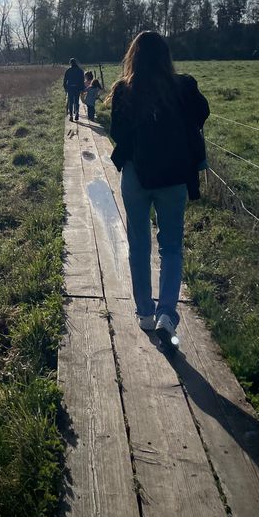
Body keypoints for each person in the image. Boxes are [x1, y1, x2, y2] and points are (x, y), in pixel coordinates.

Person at [108, 32, 209, 346]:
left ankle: (145, 313)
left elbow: (117, 134)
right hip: (175, 177)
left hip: (136, 176)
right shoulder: (184, 87)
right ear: (166, 57)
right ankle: (168, 313)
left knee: (139, 245)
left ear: (132, 56)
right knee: (171, 247)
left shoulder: (124, 90)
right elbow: (202, 114)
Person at [63, 57, 84, 122]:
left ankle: (71, 116)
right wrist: (81, 88)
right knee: (76, 101)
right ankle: (77, 112)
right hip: (77, 88)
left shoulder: (68, 70)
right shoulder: (80, 70)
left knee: (70, 102)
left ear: (70, 63)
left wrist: (65, 88)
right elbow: (82, 80)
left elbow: (65, 80)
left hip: (70, 88)